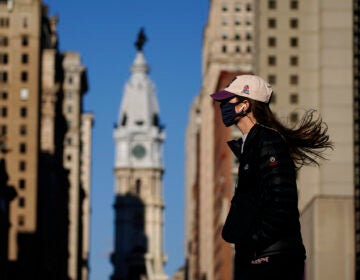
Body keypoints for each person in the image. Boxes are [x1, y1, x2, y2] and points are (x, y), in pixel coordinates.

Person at [210, 75, 333, 280]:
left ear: (244, 105)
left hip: (272, 259)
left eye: (227, 100)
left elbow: (282, 200)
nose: (222, 105)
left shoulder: (267, 141)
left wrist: (254, 241)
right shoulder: (250, 145)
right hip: (260, 257)